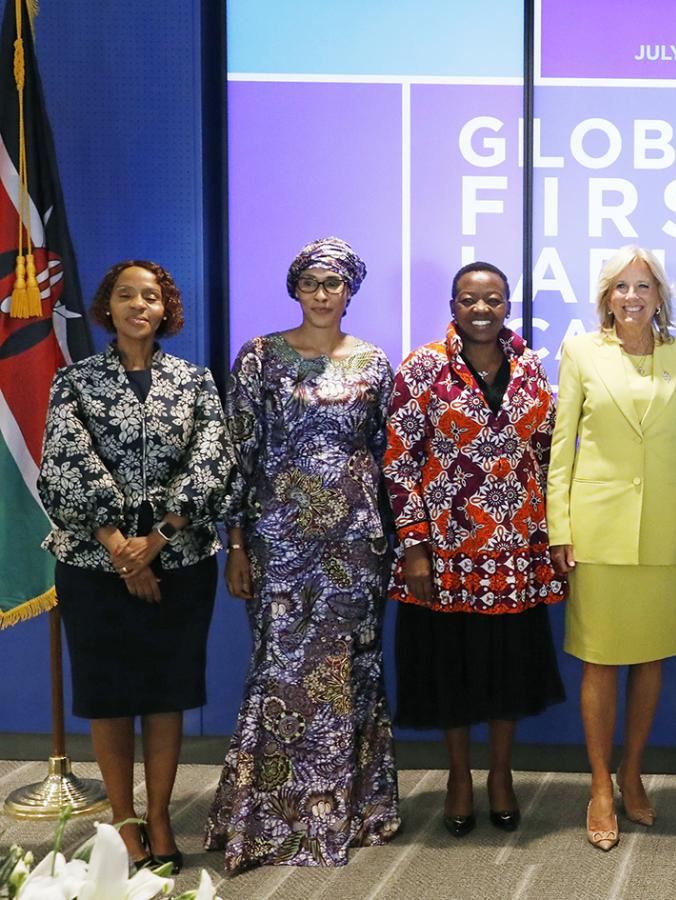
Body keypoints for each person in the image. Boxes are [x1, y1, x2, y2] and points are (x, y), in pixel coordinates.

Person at [204, 237, 401, 872]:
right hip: (278, 543)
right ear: (295, 289)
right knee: (279, 669)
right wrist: (236, 542)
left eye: (333, 283)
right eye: (311, 283)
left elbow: (385, 454)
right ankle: (268, 820)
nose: (322, 294)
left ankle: (352, 811)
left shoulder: (374, 362)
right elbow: (238, 452)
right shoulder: (259, 356)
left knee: (349, 671)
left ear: (349, 291)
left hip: (356, 545)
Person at [38, 260, 233, 873]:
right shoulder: (74, 382)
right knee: (110, 695)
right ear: (109, 307)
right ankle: (125, 821)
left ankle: (160, 815)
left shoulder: (195, 382)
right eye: (126, 295)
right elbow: (64, 464)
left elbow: (213, 462)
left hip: (180, 562)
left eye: (150, 296)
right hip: (94, 566)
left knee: (166, 692)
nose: (138, 305)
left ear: (165, 309)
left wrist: (159, 538)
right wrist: (122, 547)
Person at [384, 261, 566, 838]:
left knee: (509, 671)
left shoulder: (533, 368)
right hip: (445, 552)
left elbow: (548, 455)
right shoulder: (422, 368)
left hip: (514, 553)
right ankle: (459, 777)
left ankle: (501, 775)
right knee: (452, 671)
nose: (481, 309)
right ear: (453, 307)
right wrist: (414, 546)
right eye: (468, 300)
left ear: (508, 306)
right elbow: (399, 461)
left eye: (492, 299)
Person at [547, 246, 676, 852]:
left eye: (644, 286)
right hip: (598, 529)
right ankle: (599, 786)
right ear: (606, 297)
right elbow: (562, 445)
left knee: (651, 658)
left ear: (660, 295)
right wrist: (559, 526)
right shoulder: (580, 351)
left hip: (667, 530)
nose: (632, 297)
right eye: (621, 287)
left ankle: (632, 770)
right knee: (600, 660)